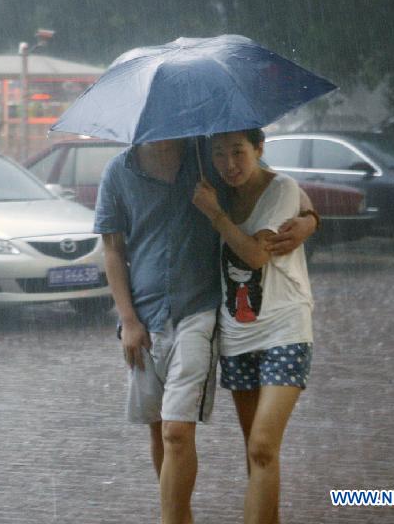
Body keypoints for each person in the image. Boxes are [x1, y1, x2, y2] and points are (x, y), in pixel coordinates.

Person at [94, 136, 316, 524]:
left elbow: (266, 182)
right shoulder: (118, 171)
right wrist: (128, 320)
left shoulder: (205, 158)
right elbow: (112, 248)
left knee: (190, 434)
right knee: (166, 433)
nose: (229, 161)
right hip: (149, 318)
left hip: (203, 311)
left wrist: (311, 218)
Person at [192, 129, 316, 524]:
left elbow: (256, 255)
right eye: (219, 154)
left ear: (259, 149)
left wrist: (215, 215)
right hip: (237, 334)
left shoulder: (281, 188)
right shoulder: (217, 190)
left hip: (285, 327)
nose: (230, 164)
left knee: (263, 445)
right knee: (257, 452)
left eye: (238, 152)